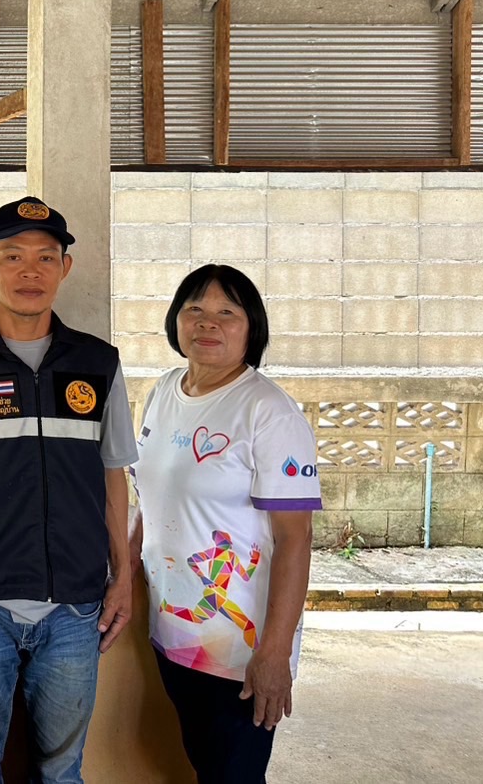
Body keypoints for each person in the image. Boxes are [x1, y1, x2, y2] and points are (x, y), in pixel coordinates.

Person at [0, 196, 137, 784]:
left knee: (62, 770)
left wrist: (122, 576)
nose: (29, 271)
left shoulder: (102, 363)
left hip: (76, 604)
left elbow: (114, 474)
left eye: (45, 257)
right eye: (12, 256)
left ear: (65, 267)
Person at [131, 264, 320, 784]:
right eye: (194, 309)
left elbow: (295, 539)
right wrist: (124, 573)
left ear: (251, 328)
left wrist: (274, 653)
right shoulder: (164, 391)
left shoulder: (269, 411)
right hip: (173, 632)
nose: (206, 323)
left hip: (240, 650)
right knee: (202, 764)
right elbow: (149, 501)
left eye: (226, 313)